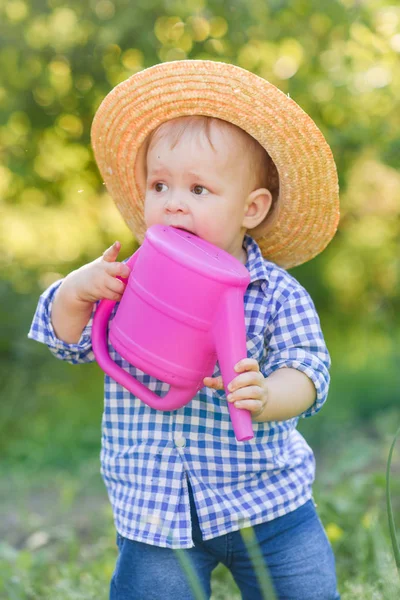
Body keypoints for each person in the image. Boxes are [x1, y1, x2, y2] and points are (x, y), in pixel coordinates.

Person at [29, 60, 341, 599]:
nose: (173, 200)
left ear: (251, 207)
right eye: (160, 184)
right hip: (155, 508)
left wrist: (269, 393)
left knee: (304, 591)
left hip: (264, 500)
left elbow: (309, 370)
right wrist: (77, 291)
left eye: (199, 189)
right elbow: (70, 341)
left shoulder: (274, 293)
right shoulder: (128, 278)